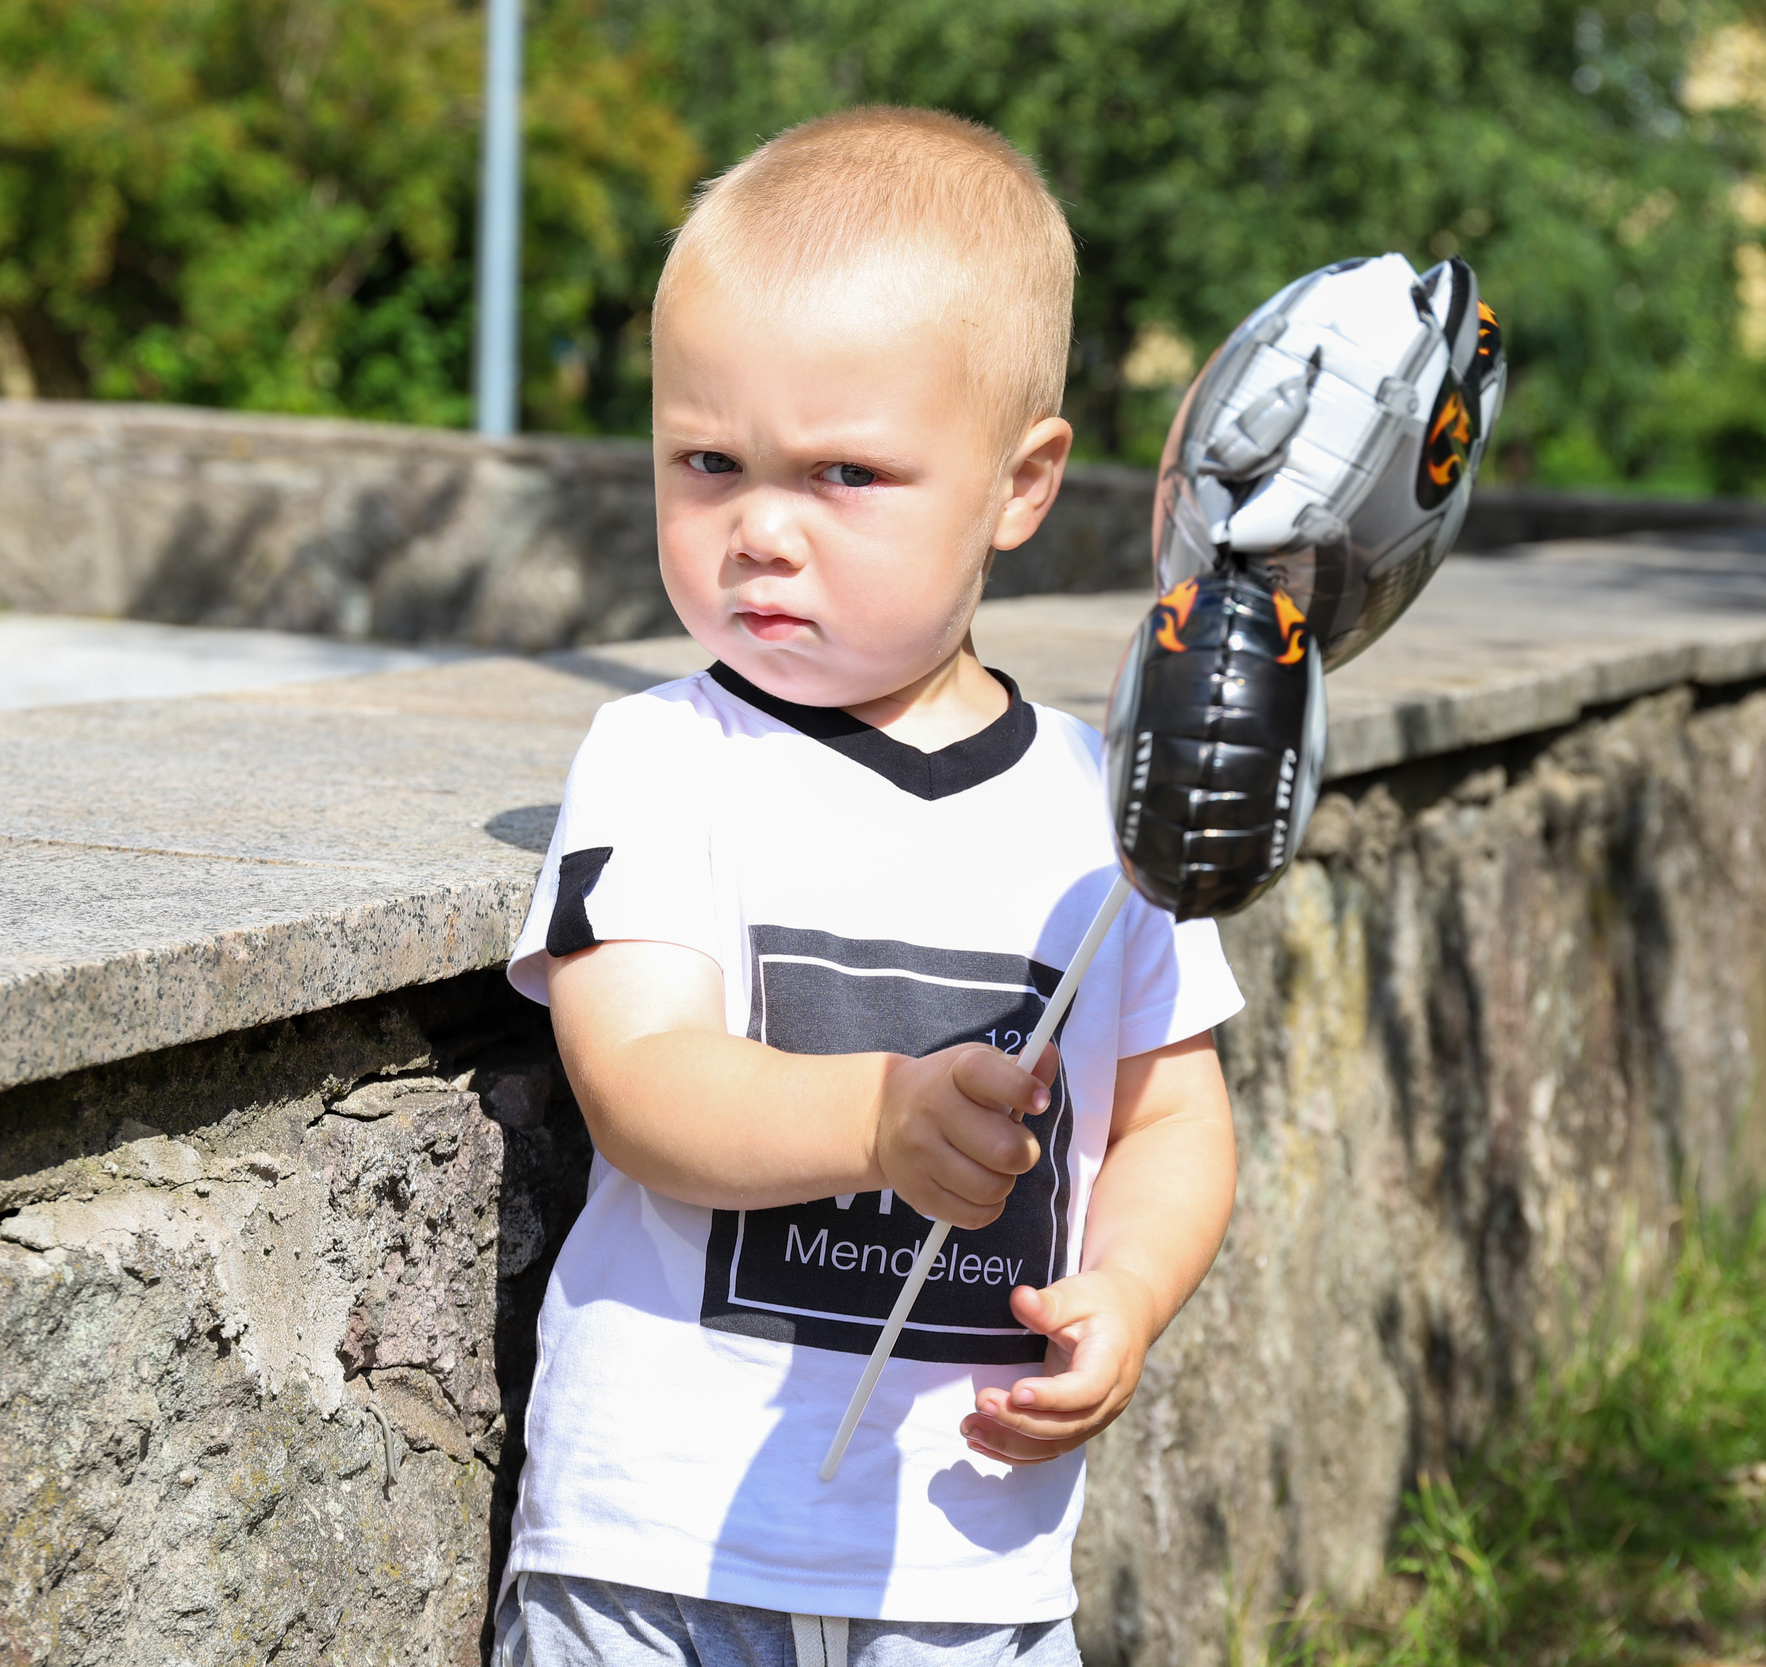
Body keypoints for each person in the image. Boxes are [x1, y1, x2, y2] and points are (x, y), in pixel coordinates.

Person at [499, 105, 1244, 1667]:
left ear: (1020, 484)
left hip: (966, 1570)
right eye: (708, 460)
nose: (759, 529)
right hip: (661, 1551)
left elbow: (1176, 1115)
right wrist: (876, 1122)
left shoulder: (1106, 808)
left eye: (845, 472)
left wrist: (1127, 1293)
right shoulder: (661, 757)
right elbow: (640, 1078)